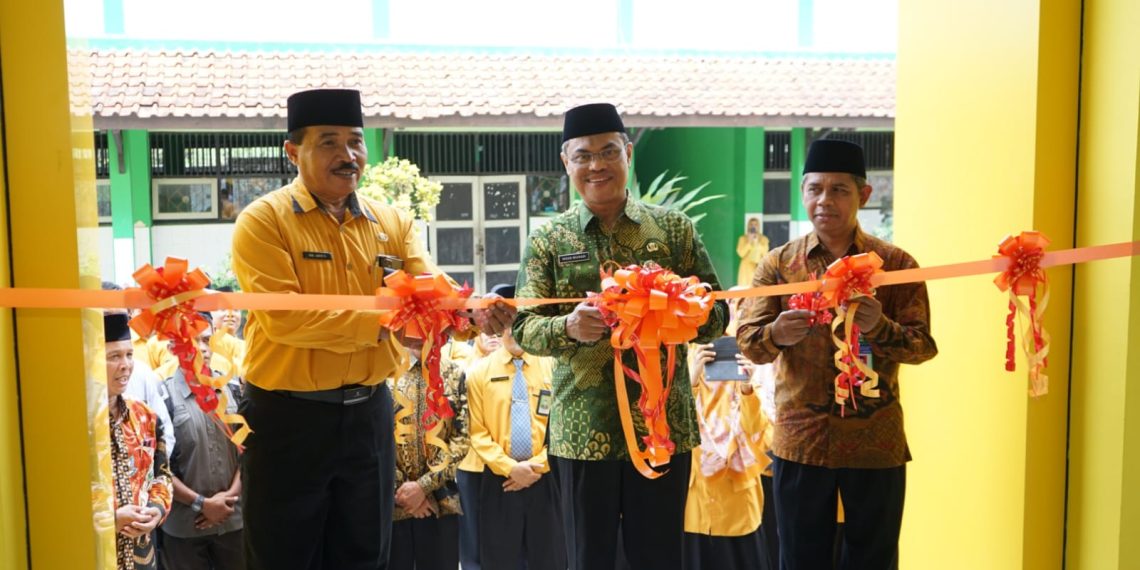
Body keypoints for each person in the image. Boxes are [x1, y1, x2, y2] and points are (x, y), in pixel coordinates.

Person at [231, 88, 514, 570]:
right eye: (328, 142)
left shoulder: (393, 223)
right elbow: (287, 319)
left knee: (365, 556)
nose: (347, 156)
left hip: (369, 416)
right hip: (286, 419)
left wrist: (470, 314)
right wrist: (387, 325)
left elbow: (429, 294)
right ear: (293, 151)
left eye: (355, 142)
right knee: (283, 555)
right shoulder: (264, 221)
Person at [513, 103, 729, 570]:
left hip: (662, 427)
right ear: (565, 162)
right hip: (581, 430)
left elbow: (718, 314)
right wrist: (567, 326)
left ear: (628, 153)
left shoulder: (674, 230)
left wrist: (673, 312)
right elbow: (524, 327)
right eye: (583, 155)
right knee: (587, 558)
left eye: (608, 151)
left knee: (660, 557)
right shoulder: (549, 239)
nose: (596, 165)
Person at [736, 139, 938, 569]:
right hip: (801, 443)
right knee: (799, 559)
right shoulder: (779, 265)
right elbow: (749, 344)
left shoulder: (895, 265)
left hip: (875, 443)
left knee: (874, 560)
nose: (825, 200)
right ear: (803, 193)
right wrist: (776, 333)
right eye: (815, 189)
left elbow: (923, 347)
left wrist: (879, 327)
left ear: (863, 195)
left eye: (839, 190)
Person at [467, 285, 564, 570]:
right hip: (499, 480)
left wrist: (535, 468)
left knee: (550, 558)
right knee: (499, 559)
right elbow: (478, 432)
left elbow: (559, 429)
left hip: (544, 479)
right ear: (500, 327)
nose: (518, 334)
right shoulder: (480, 373)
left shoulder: (552, 368)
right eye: (511, 326)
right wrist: (510, 468)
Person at [159, 316, 244, 570]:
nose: (203, 349)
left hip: (233, 520)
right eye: (192, 341)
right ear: (173, 347)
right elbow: (159, 467)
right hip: (185, 526)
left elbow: (249, 452)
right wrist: (202, 504)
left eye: (206, 340)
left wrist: (228, 497)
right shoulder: (163, 396)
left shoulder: (233, 389)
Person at [683, 341, 770, 570]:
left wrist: (747, 388)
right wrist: (691, 381)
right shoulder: (685, 357)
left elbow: (758, 432)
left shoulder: (743, 354)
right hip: (694, 506)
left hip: (738, 508)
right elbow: (674, 431)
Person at [389, 340, 469, 570]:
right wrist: (402, 489)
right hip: (390, 502)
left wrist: (423, 486)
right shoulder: (383, 370)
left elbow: (462, 439)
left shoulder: (453, 373)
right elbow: (371, 438)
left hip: (440, 500)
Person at [105, 312, 174, 570]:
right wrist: (110, 520)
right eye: (114, 357)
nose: (126, 365)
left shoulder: (144, 415)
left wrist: (156, 511)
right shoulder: (75, 424)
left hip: (142, 556)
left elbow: (163, 473)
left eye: (129, 355)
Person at [455, 331, 503, 570]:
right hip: (471, 464)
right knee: (472, 541)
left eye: (499, 330)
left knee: (504, 539)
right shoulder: (463, 366)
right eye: (488, 331)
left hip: (505, 465)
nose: (494, 336)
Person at [736, 216, 769, 287]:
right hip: (745, 270)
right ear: (748, 226)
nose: (753, 227)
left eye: (755, 224)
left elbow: (765, 254)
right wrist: (749, 242)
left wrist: (756, 241)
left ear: (759, 226)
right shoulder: (742, 239)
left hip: (758, 268)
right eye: (751, 224)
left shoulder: (764, 239)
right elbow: (741, 254)